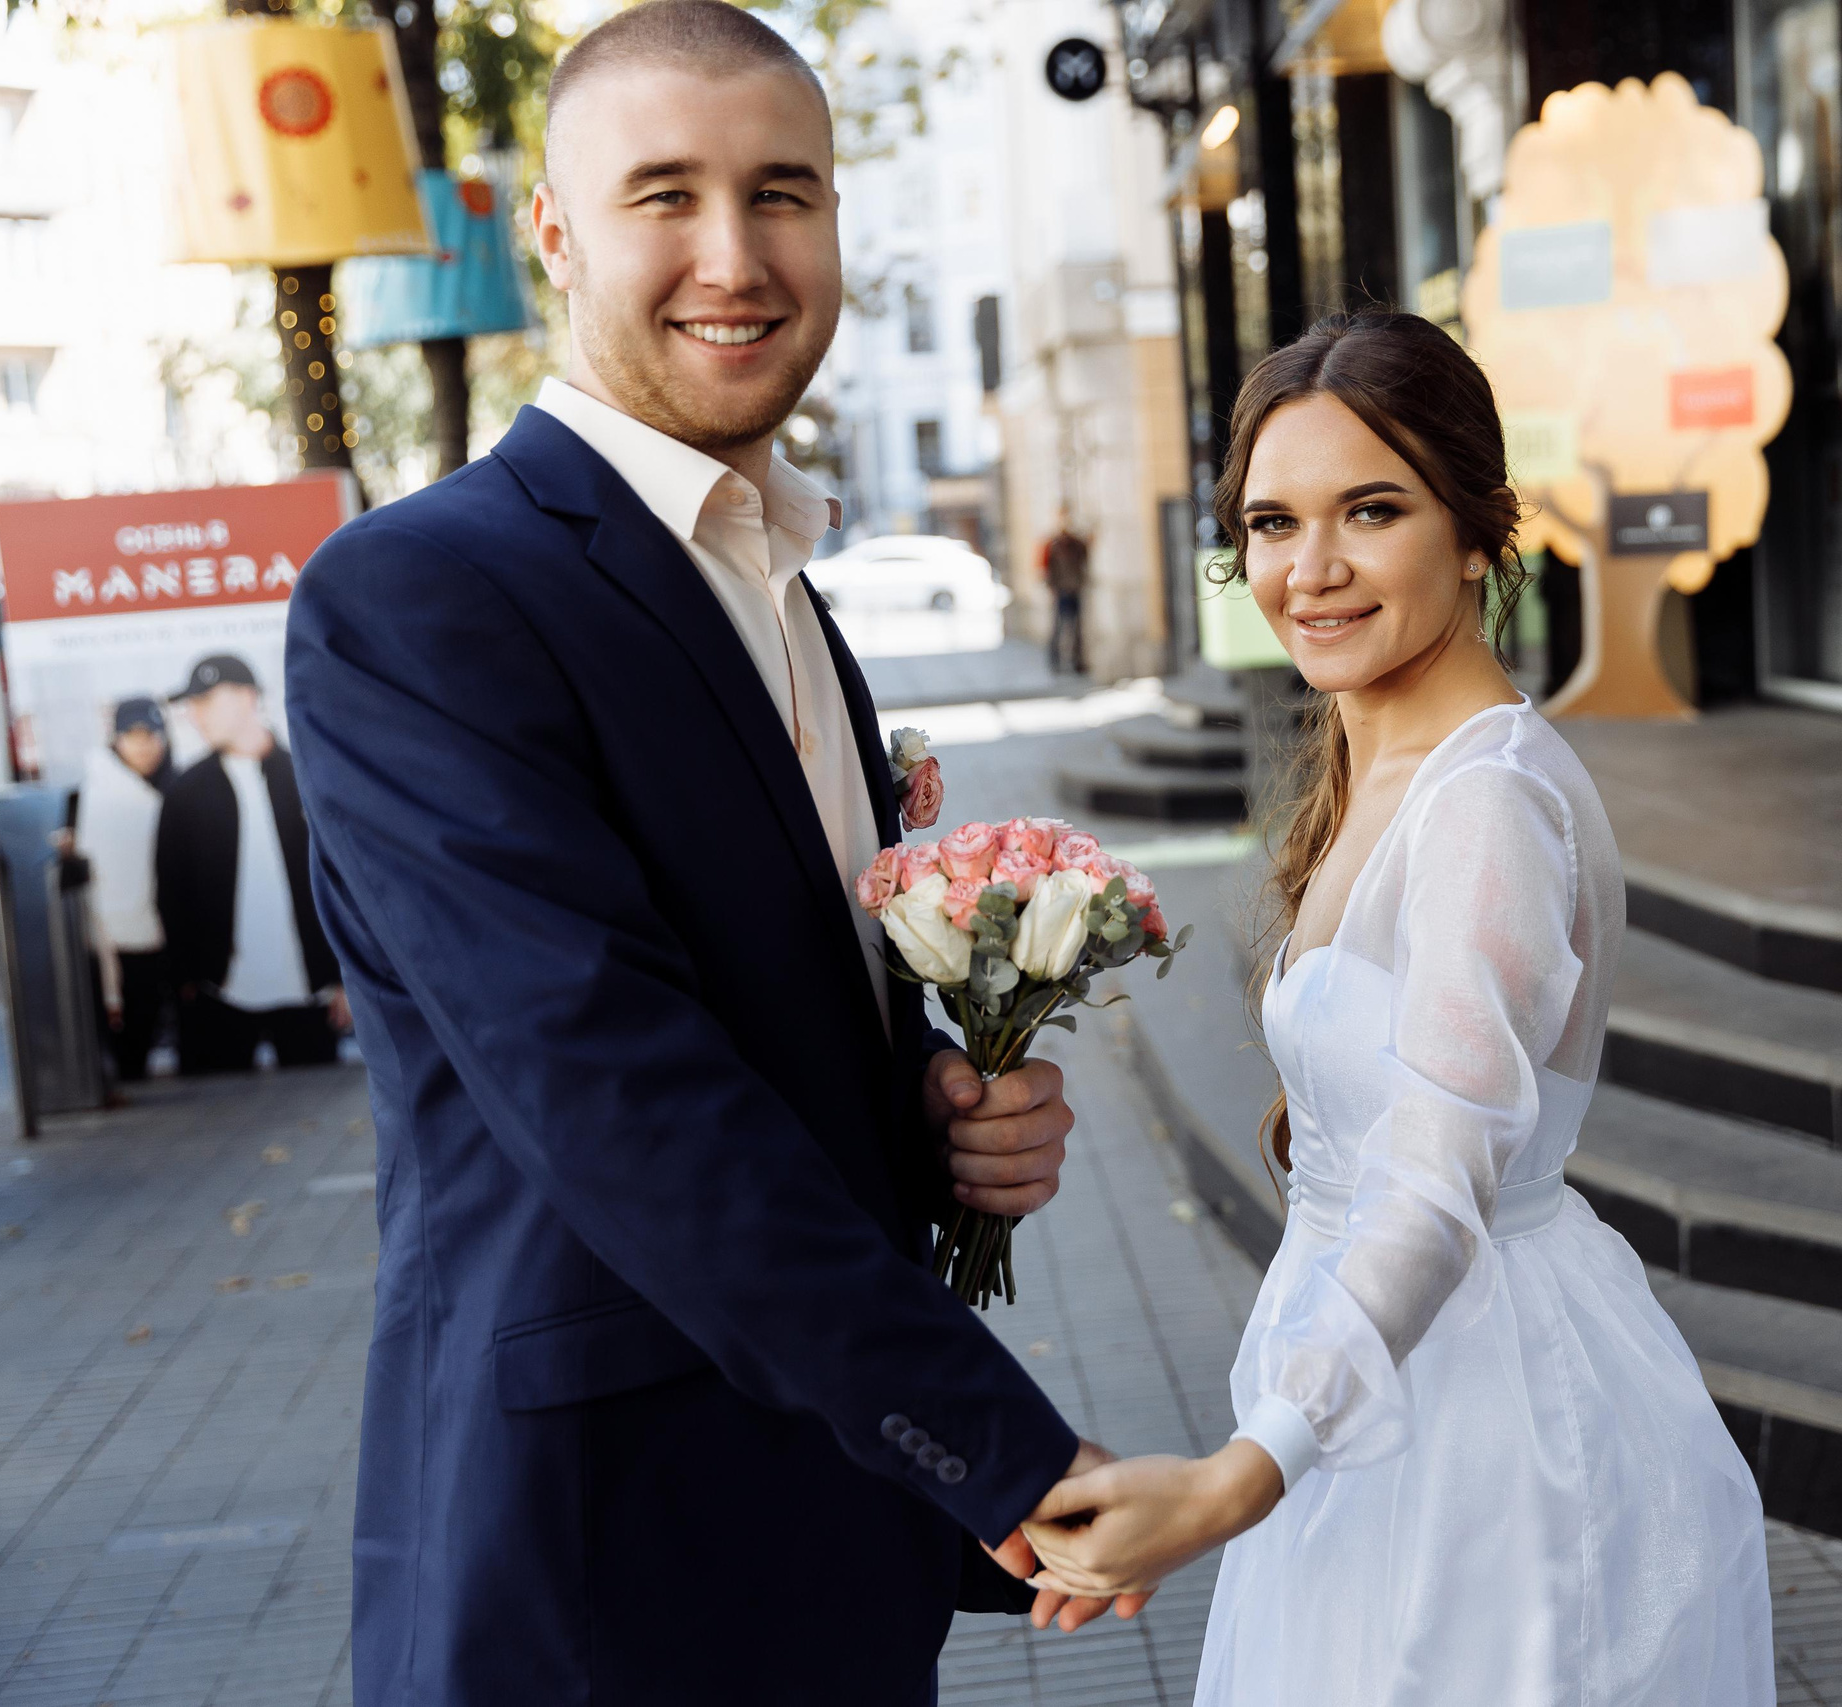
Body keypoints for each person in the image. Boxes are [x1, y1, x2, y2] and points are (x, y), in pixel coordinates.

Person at [281, 9, 1127, 1703]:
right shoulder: (419, 599)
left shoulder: (787, 591)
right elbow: (615, 1088)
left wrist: (939, 1107)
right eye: (664, 194)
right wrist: (1004, 1453)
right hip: (602, 1566)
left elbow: (767, 1012)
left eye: (784, 194)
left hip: (827, 1540)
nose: (734, 256)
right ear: (556, 234)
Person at [1005, 313, 1778, 1703]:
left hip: (1476, 1418)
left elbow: (1436, 1185)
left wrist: (1243, 1475)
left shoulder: (1482, 800)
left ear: (1477, 530)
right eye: (1272, 521)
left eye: (1372, 510)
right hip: (1371, 1381)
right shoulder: (1384, 757)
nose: (1309, 570)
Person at [156, 655, 345, 1074]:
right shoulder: (186, 793)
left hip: (309, 993)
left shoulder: (306, 775)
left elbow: (341, 883)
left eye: (205, 700)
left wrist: (344, 979)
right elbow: (172, 894)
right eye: (191, 704)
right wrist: (186, 982)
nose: (194, 714)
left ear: (247, 698)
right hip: (219, 995)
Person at [76, 696, 173, 1082]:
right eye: (133, 736)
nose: (145, 745)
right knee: (129, 1047)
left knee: (140, 1044)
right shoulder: (106, 796)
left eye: (153, 735)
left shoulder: (155, 790)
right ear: (116, 739)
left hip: (149, 936)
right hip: (117, 945)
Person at [1040, 505, 1088, 675]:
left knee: (1077, 629)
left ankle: (1077, 661)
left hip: (1075, 589)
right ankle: (1055, 662)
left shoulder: (1076, 543)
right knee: (1058, 628)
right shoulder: (1051, 544)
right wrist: (1052, 588)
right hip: (1060, 591)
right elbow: (1044, 568)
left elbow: (1084, 557)